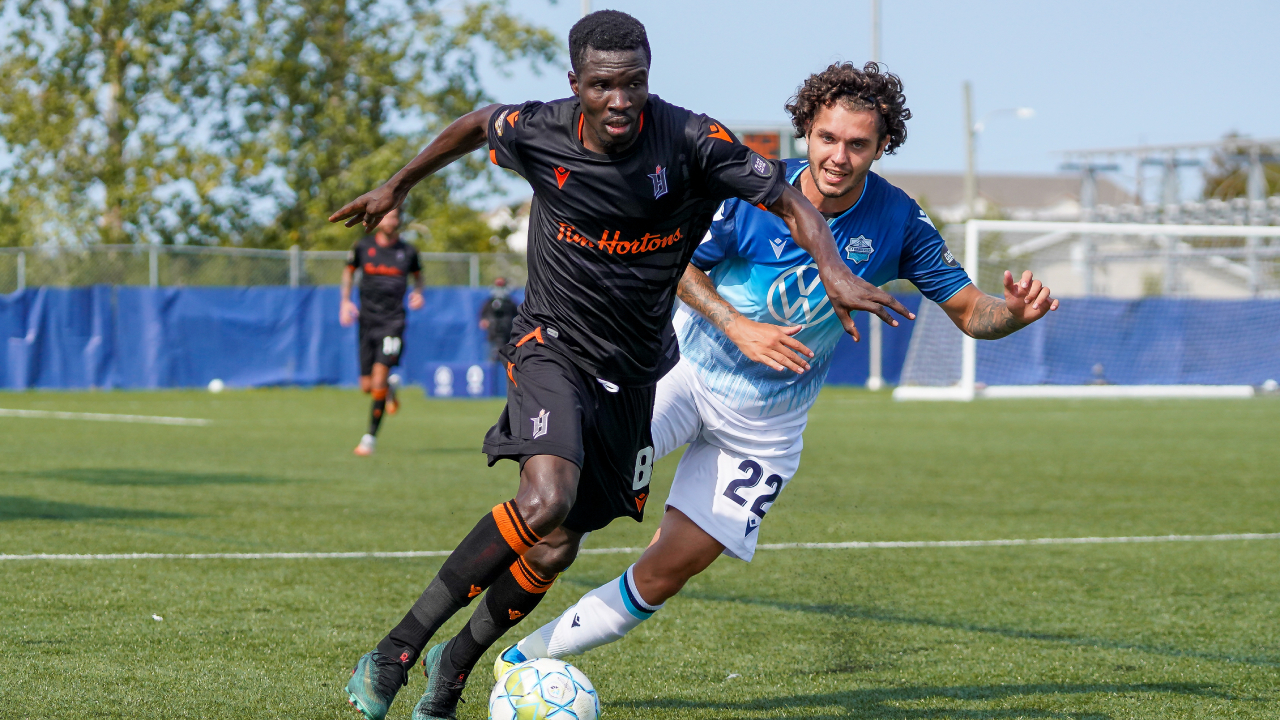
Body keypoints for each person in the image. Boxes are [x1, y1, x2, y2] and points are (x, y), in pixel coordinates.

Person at [328, 13, 913, 720]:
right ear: (576, 84)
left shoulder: (693, 141)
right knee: (546, 501)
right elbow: (478, 123)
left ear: (647, 79)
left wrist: (834, 270)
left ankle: (451, 676)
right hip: (552, 344)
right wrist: (398, 184)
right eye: (602, 85)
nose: (619, 100)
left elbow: (788, 198)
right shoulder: (540, 130)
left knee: (556, 548)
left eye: (633, 84)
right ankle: (397, 650)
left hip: (636, 371)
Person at [497, 62, 1059, 672]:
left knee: (666, 571)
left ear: (881, 146)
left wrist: (1014, 313)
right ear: (806, 133)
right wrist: (739, 326)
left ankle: (523, 662)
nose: (839, 156)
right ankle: (463, 646)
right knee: (562, 511)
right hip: (678, 378)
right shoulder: (753, 189)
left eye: (857, 144)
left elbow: (973, 311)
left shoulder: (899, 219)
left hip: (765, 428)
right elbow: (677, 264)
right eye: (827, 138)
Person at [340, 208, 425, 457]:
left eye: (396, 216)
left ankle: (369, 439)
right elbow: (348, 272)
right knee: (367, 386)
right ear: (378, 221)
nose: (392, 220)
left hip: (393, 322)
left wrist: (418, 292)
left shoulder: (408, 252)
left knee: (377, 378)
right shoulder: (362, 247)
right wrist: (345, 302)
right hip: (366, 321)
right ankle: (389, 388)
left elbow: (419, 277)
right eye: (387, 216)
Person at [478, 277, 519, 361]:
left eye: (501, 285)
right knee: (492, 359)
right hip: (492, 335)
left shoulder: (510, 303)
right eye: (497, 285)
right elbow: (482, 317)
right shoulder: (489, 303)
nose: (499, 289)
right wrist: (485, 321)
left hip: (507, 335)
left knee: (508, 360)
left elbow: (518, 316)